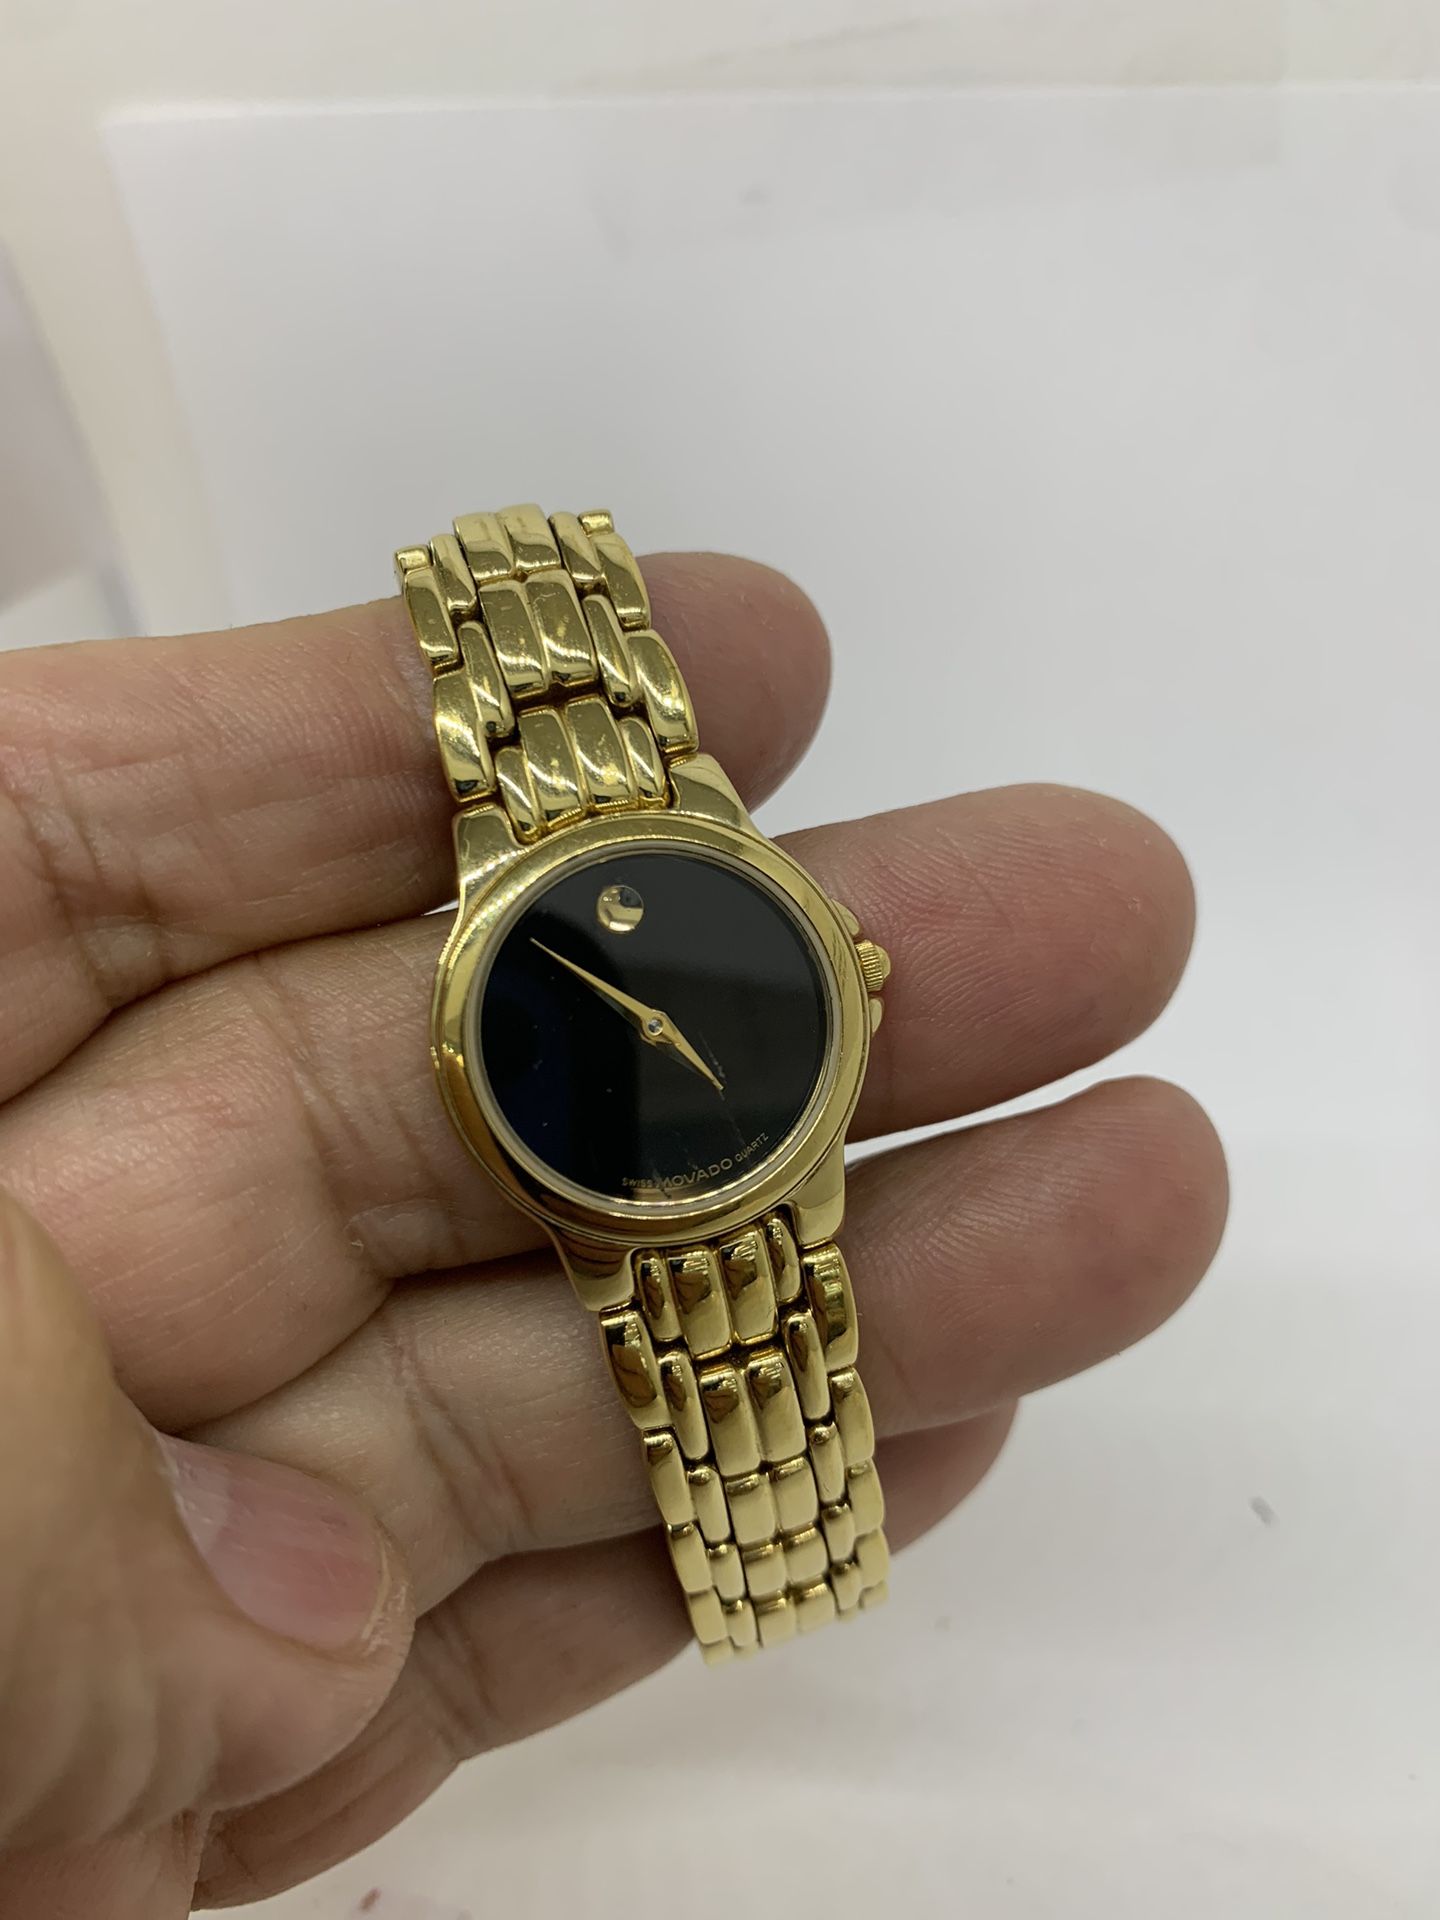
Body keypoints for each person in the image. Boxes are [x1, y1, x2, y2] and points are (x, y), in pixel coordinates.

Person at [0, 552, 1227, 1916]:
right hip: (621, 1195)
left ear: (853, 979)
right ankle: (781, 1567)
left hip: (740, 1179)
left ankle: (785, 1564)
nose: (649, 1018)